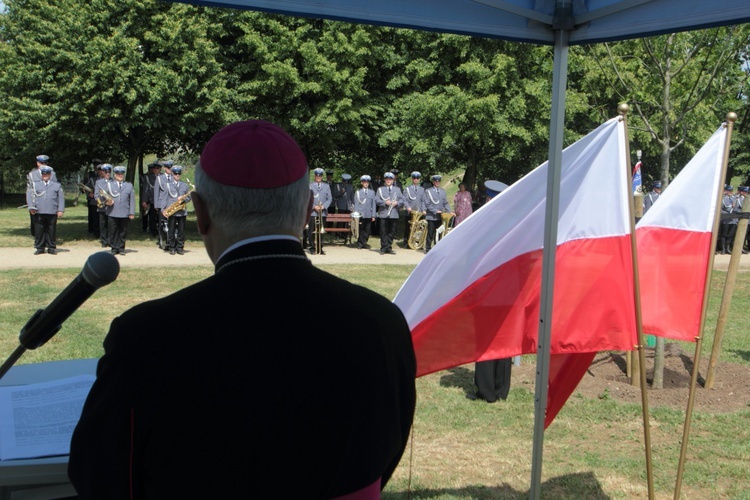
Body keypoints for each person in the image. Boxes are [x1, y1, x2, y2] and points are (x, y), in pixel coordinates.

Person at [68, 120, 416, 498]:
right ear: (306, 211)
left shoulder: (146, 335)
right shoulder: (380, 323)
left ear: (200, 214)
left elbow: (99, 476)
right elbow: (382, 460)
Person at [469, 180, 512, 403]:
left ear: (489, 198)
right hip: (509, 291)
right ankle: (501, 389)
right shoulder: (516, 224)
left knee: (486, 338)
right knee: (504, 338)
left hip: (488, 289)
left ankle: (486, 390)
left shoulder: (483, 223)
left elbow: (473, 256)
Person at [26, 165, 64, 254]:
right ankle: (40, 247)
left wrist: (60, 210)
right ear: (41, 175)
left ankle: (51, 247)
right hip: (39, 210)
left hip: (52, 210)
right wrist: (31, 207)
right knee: (39, 230)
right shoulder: (36, 184)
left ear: (50, 175)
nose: (45, 176)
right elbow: (30, 195)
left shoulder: (56, 185)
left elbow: (61, 198)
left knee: (51, 230)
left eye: (47, 174)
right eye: (43, 174)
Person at [105, 166, 136, 255]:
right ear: (114, 175)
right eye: (118, 174)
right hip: (112, 211)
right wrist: (107, 202)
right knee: (113, 231)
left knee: (123, 231)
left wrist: (131, 212)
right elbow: (103, 197)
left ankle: (121, 248)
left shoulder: (129, 185)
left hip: (124, 212)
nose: (120, 175)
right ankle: (114, 248)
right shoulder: (109, 185)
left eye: (121, 174)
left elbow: (132, 200)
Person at [162, 165, 192, 255]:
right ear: (172, 174)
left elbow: (189, 197)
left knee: (181, 231)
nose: (177, 175)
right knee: (171, 230)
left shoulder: (185, 185)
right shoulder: (168, 185)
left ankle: (180, 247)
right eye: (175, 174)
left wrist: (183, 200)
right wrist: (163, 209)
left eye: (178, 174)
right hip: (172, 211)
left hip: (182, 211)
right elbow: (164, 198)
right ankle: (172, 247)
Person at [421, 174, 453, 253]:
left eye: (439, 181)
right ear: (433, 182)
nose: (437, 183)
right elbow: (427, 203)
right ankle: (428, 248)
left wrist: (450, 211)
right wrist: (435, 210)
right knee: (430, 233)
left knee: (439, 232)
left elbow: (445, 203)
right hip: (431, 216)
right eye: (436, 181)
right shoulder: (428, 191)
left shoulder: (443, 192)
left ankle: (437, 248)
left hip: (440, 216)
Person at [26, 154, 57, 237]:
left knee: (49, 224)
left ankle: (48, 240)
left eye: (45, 163)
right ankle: (37, 239)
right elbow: (29, 189)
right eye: (41, 163)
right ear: (38, 163)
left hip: (48, 201)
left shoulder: (52, 174)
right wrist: (30, 204)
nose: (43, 165)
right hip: (36, 201)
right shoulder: (32, 174)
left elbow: (55, 187)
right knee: (36, 223)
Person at [376, 171, 403, 255]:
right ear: (384, 180)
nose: (388, 181)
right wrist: (385, 203)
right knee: (383, 231)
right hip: (383, 213)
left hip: (394, 213)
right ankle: (383, 248)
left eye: (390, 179)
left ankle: (389, 247)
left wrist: (397, 203)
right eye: (387, 179)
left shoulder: (397, 190)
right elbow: (376, 199)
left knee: (392, 231)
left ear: (393, 180)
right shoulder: (380, 189)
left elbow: (402, 200)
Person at [308, 167, 332, 254]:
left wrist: (323, 207)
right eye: (317, 175)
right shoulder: (310, 185)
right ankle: (312, 247)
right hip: (313, 212)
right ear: (314, 176)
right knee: (312, 231)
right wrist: (314, 206)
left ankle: (320, 247)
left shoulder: (326, 186)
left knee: (321, 231)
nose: (318, 177)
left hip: (323, 212)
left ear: (322, 177)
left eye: (320, 176)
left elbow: (329, 199)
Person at [154, 160, 174, 250]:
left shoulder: (174, 177)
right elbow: (156, 192)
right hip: (162, 204)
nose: (170, 170)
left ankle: (171, 240)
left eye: (171, 168)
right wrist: (156, 205)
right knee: (161, 223)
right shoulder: (159, 178)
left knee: (171, 222)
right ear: (165, 168)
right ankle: (161, 239)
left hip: (172, 203)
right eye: (168, 168)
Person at [353, 174, 376, 249]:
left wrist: (373, 215)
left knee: (367, 229)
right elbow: (356, 204)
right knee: (361, 229)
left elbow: (373, 204)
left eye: (367, 182)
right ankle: (360, 243)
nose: (366, 183)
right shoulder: (358, 192)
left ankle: (365, 242)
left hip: (368, 214)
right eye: (364, 182)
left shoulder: (372, 192)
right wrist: (355, 215)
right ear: (361, 183)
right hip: (361, 214)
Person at [402, 171, 424, 246]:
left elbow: (423, 201)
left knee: (418, 229)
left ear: (419, 179)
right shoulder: (407, 189)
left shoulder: (422, 189)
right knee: (408, 228)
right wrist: (407, 207)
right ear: (412, 179)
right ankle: (406, 242)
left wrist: (423, 210)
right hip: (410, 212)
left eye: (417, 178)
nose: (416, 180)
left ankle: (415, 242)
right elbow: (404, 199)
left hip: (418, 212)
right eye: (414, 178)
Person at [94, 164, 112, 248]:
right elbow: (96, 194)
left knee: (111, 224)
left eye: (109, 172)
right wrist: (99, 201)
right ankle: (104, 241)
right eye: (106, 172)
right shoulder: (98, 182)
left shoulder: (113, 181)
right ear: (102, 172)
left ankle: (111, 240)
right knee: (103, 224)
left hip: (111, 206)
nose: (108, 174)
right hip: (102, 206)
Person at [718, 184, 738, 254]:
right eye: (729, 190)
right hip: (725, 219)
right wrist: (731, 206)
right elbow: (723, 208)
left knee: (730, 234)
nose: (730, 192)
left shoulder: (734, 198)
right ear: (725, 191)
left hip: (733, 220)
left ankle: (727, 248)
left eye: (731, 190)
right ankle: (723, 249)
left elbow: (737, 208)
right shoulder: (723, 198)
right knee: (724, 234)